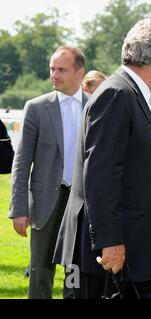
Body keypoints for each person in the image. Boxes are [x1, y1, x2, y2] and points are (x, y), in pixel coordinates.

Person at [53, 18, 151, 299]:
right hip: (112, 256)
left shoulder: (132, 93)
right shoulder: (117, 93)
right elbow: (100, 174)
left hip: (136, 250)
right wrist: (110, 242)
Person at [9, 46, 88, 299]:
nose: (54, 75)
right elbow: (21, 163)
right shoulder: (36, 107)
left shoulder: (96, 106)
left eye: (62, 70)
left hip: (82, 203)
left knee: (75, 271)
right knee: (40, 272)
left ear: (80, 73)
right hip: (45, 204)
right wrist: (19, 208)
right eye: (52, 69)